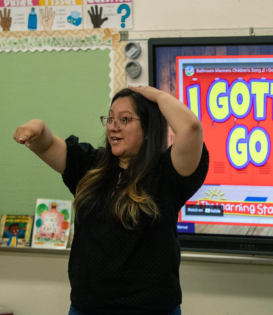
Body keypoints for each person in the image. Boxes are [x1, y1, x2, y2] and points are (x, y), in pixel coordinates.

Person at [13, 85, 209, 315]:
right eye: (110, 118)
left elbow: (191, 128)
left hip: (152, 309)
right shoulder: (89, 165)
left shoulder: (166, 174)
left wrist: (157, 96)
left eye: (124, 119)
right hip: (87, 308)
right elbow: (44, 143)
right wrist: (36, 126)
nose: (113, 126)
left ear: (147, 128)